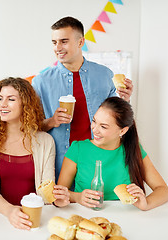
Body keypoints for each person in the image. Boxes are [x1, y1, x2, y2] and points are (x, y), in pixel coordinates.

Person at [32, 17, 134, 180]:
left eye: (64, 41)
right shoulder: (41, 82)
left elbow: (116, 119)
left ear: (81, 42)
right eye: (54, 42)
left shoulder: (104, 74)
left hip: (98, 160)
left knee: (96, 203)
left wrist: (125, 99)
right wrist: (52, 121)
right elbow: (31, 128)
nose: (57, 48)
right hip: (58, 163)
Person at [0, 78, 70, 230]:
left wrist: (56, 199)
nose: (3, 104)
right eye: (0, 98)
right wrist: (10, 211)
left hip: (33, 219)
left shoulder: (45, 141)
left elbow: (46, 186)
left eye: (11, 99)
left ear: (26, 104)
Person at [57, 97, 168, 211]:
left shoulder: (134, 150)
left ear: (122, 131)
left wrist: (146, 204)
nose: (94, 130)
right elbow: (59, 195)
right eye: (94, 121)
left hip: (126, 217)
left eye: (103, 126)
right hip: (87, 217)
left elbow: (163, 189)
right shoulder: (78, 149)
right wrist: (77, 197)